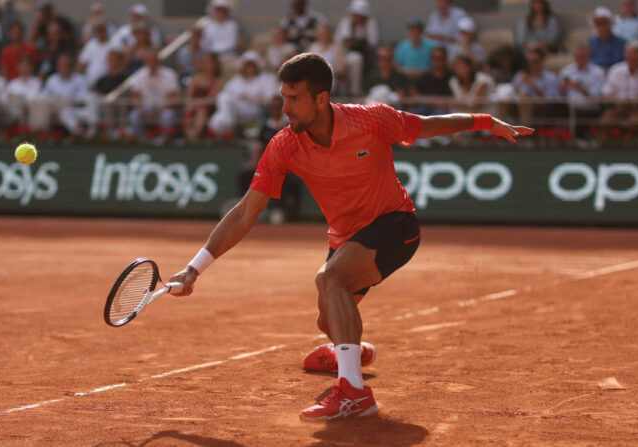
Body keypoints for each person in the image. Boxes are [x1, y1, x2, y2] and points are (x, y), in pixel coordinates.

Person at [167, 52, 532, 421]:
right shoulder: (284, 145)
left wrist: (485, 121)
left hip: (395, 224)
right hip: (345, 238)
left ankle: (355, 393)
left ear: (322, 99)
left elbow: (427, 125)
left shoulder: (371, 119)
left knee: (331, 278)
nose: (285, 108)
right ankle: (351, 353)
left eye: (294, 99)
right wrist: (193, 269)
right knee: (328, 321)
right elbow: (246, 211)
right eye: (283, 97)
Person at [236, 96, 301, 224]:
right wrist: (253, 164)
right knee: (244, 175)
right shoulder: (265, 127)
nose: (275, 110)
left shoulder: (289, 125)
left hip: (285, 166)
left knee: (283, 178)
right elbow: (258, 147)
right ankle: (249, 208)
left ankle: (279, 210)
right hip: (266, 165)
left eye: (277, 107)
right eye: (272, 108)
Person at [207, 50, 278, 137]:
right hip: (235, 112)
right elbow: (225, 96)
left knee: (224, 102)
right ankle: (225, 128)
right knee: (223, 98)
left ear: (256, 66)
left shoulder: (265, 78)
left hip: (254, 109)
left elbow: (270, 98)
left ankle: (220, 128)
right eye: (247, 65)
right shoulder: (236, 80)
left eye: (251, 65)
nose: (249, 68)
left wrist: (249, 98)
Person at [600, 42, 638, 135]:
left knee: (636, 122)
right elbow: (606, 94)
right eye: (630, 58)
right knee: (605, 121)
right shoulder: (616, 70)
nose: (632, 61)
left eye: (635, 59)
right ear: (625, 57)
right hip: (618, 107)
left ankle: (635, 145)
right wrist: (619, 100)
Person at [127, 49, 181, 140]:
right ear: (145, 62)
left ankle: (163, 141)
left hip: (163, 109)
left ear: (158, 61)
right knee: (134, 116)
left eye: (154, 60)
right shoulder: (139, 75)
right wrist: (141, 111)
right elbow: (135, 98)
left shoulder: (170, 74)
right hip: (145, 109)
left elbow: (173, 99)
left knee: (168, 116)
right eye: (149, 60)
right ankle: (140, 140)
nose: (152, 63)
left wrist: (158, 111)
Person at [559, 43, 605, 136]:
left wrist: (580, 88)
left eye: (582, 56)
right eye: (576, 56)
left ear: (589, 56)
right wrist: (562, 88)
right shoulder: (566, 71)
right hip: (568, 107)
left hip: (589, 109)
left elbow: (596, 99)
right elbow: (559, 94)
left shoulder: (598, 72)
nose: (578, 59)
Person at [335, 0, 379, 96]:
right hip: (345, 54)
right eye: (356, 14)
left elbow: (372, 43)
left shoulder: (370, 23)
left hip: (366, 57)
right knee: (354, 59)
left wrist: (355, 43)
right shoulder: (346, 22)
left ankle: (355, 92)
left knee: (356, 59)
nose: (358, 17)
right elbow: (340, 42)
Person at [511, 47, 560, 127]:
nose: (531, 65)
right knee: (503, 99)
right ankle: (500, 134)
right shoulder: (520, 75)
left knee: (524, 96)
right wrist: (519, 84)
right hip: (516, 106)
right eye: (529, 62)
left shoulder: (551, 78)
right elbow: (511, 93)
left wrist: (535, 87)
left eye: (534, 62)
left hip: (540, 108)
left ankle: (524, 132)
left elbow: (552, 101)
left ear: (542, 61)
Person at [183, 53, 223, 140]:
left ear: (215, 64)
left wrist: (198, 103)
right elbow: (189, 95)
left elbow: (211, 98)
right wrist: (193, 104)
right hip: (194, 106)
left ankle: (194, 136)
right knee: (189, 111)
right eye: (205, 62)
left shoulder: (217, 81)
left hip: (208, 108)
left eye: (210, 62)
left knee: (201, 111)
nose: (207, 65)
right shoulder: (195, 78)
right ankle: (188, 135)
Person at [412, 47, 453, 115]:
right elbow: (414, 91)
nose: (437, 61)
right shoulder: (425, 76)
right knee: (412, 113)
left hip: (444, 108)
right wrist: (427, 101)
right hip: (426, 106)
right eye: (434, 58)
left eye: (440, 58)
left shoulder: (452, 77)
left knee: (441, 115)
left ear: (445, 59)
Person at [3, 56, 42, 125]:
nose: (25, 69)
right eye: (22, 66)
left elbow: (36, 97)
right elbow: (7, 99)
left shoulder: (37, 82)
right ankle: (19, 125)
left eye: (27, 66)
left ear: (31, 68)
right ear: (19, 68)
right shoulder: (13, 83)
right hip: (15, 108)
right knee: (15, 100)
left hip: (31, 108)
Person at [77, 20, 112, 87]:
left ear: (106, 30)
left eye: (102, 30)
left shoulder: (112, 44)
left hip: (106, 81)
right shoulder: (90, 44)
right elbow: (82, 63)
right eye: (98, 30)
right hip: (90, 80)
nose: (101, 32)